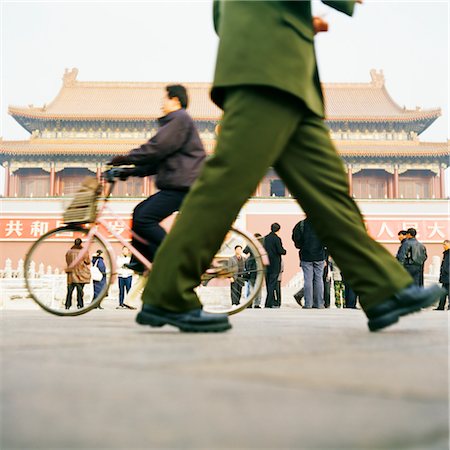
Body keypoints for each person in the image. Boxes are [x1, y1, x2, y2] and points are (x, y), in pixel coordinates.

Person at [134, 0, 443, 333]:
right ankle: (167, 292)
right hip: (266, 70)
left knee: (329, 193)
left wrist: (292, 20)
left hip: (289, 76)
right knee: (224, 186)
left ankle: (384, 289)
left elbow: (223, 17)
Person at [110, 85, 206, 273]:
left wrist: (126, 157)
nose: (162, 104)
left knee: (144, 218)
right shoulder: (176, 122)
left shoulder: (179, 120)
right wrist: (126, 172)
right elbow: (156, 163)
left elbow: (155, 148)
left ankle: (168, 258)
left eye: (165, 99)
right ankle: (143, 260)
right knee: (139, 212)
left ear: (176, 101)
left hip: (184, 186)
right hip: (179, 184)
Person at [292, 218, 327, 309]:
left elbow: (296, 239)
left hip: (306, 255)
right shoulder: (322, 224)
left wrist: (301, 246)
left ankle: (308, 304)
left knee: (308, 279)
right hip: (319, 256)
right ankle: (319, 303)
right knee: (318, 279)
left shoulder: (301, 224)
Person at [263, 223, 286, 308]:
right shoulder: (277, 239)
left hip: (266, 263)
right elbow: (280, 250)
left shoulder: (265, 238)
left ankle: (270, 301)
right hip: (275, 264)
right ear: (278, 230)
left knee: (268, 283)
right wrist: (284, 251)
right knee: (272, 284)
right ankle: (268, 303)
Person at [65, 238, 91, 310]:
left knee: (69, 291)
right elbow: (88, 261)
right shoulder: (84, 252)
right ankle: (80, 304)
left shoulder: (69, 252)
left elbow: (67, 261)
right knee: (80, 291)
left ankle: (67, 305)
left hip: (71, 274)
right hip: (80, 274)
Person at [243, 233, 264, 308]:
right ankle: (257, 303)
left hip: (252, 268)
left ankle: (249, 303)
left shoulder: (252, 243)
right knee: (258, 287)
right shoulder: (263, 245)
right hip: (260, 268)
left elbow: (244, 251)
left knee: (251, 286)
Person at [435, 240, 449, 310]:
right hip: (445, 276)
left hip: (448, 276)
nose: (444, 246)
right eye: (443, 245)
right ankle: (441, 306)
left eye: (445, 245)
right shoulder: (446, 253)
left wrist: (446, 271)